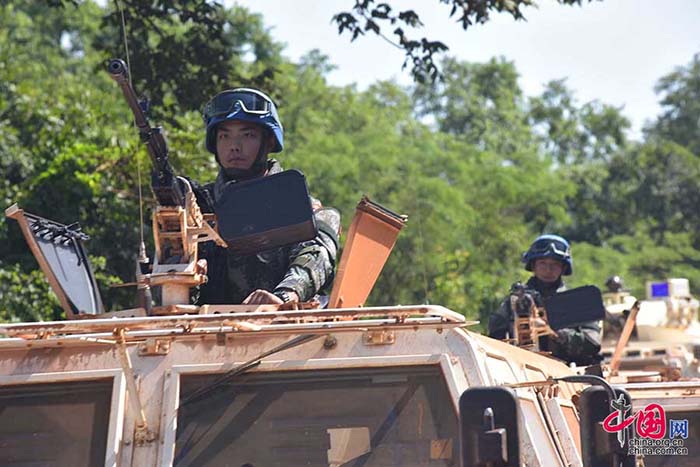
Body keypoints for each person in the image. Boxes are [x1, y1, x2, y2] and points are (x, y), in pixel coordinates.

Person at [187, 88, 339, 306]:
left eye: (247, 135)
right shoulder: (198, 210)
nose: (234, 146)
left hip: (283, 330)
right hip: (202, 330)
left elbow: (313, 256)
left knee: (328, 218)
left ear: (268, 142)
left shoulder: (300, 209)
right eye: (224, 136)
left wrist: (284, 296)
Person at [488, 234, 602, 366]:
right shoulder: (514, 302)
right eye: (543, 263)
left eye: (555, 264)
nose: (548, 270)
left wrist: (554, 332)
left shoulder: (577, 302)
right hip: (522, 370)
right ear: (533, 265)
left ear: (563, 268)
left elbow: (593, 344)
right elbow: (494, 341)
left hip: (569, 373)